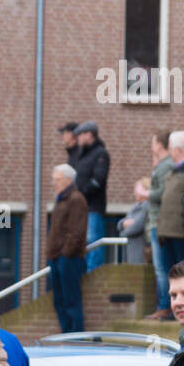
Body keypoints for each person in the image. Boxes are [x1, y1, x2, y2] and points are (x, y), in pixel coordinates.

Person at [46, 164, 88, 333]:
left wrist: (65, 253)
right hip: (57, 258)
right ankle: (66, 333)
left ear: (68, 180)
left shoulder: (76, 199)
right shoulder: (61, 199)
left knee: (71, 300)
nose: (54, 183)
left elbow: (76, 232)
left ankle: (75, 336)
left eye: (57, 180)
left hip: (68, 259)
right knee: (59, 300)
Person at [71, 121, 109, 271]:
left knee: (93, 242)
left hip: (93, 207)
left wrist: (81, 194)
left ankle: (94, 274)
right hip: (79, 209)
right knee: (82, 242)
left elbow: (98, 179)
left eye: (80, 135)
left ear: (89, 135)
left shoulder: (101, 154)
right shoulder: (80, 155)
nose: (77, 138)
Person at [157, 131, 184, 273]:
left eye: (171, 149)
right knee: (170, 272)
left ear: (178, 150)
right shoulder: (173, 170)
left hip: (181, 231)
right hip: (167, 230)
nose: (169, 152)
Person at [145, 130, 173, 320]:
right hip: (157, 222)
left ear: (160, 145)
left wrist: (145, 192)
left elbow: (161, 192)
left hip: (159, 223)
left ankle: (164, 307)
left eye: (153, 142)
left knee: (161, 267)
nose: (151, 146)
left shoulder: (165, 166)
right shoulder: (162, 166)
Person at [117, 180, 149, 264]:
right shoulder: (135, 207)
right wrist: (123, 224)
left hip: (140, 248)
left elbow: (137, 226)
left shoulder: (146, 206)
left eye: (137, 189)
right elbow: (120, 223)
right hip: (131, 248)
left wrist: (122, 232)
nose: (135, 193)